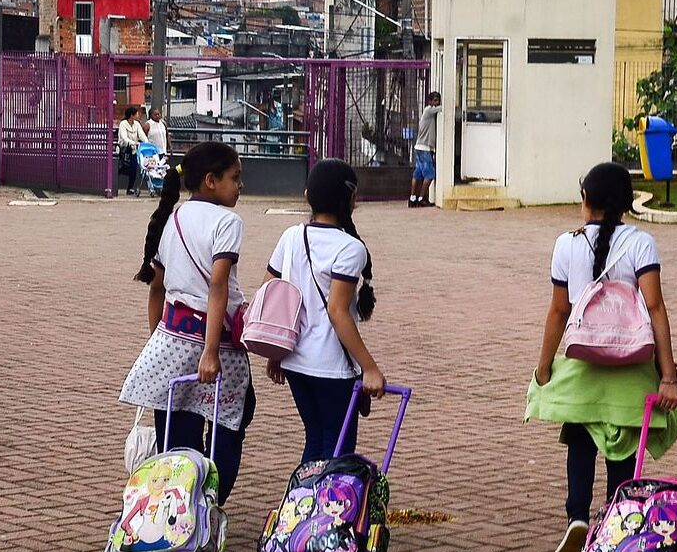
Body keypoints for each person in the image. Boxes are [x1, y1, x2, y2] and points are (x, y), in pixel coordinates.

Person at [525, 161, 677, 552]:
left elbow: (559, 311)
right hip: (631, 369)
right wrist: (667, 374)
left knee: (579, 439)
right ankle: (618, 527)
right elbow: (655, 308)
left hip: (583, 366)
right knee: (624, 450)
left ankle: (576, 516)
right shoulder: (642, 244)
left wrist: (544, 367)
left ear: (586, 201)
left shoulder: (566, 244)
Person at [118, 142, 255, 506]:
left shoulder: (173, 217)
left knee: (175, 431)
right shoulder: (228, 222)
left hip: (169, 340)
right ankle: (206, 506)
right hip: (217, 344)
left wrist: (155, 341)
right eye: (235, 178)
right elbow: (217, 286)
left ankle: (174, 510)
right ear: (211, 181)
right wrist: (210, 352)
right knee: (230, 423)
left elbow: (157, 288)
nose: (240, 185)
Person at [263, 158, 386, 464]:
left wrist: (275, 353)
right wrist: (369, 367)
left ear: (308, 195)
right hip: (331, 365)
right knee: (337, 446)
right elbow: (338, 310)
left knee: (316, 438)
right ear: (351, 200)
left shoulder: (291, 236)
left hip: (294, 360)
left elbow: (270, 292)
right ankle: (326, 510)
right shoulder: (350, 248)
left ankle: (302, 506)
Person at [409, 91, 441, 208]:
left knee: (417, 174)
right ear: (430, 101)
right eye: (435, 100)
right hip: (424, 148)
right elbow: (445, 108)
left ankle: (412, 198)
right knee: (430, 174)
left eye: (438, 100)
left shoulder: (428, 112)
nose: (436, 103)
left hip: (420, 147)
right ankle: (421, 198)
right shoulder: (429, 110)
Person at [118, 105, 148, 195]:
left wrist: (147, 143)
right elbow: (123, 137)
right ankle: (112, 184)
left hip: (134, 150)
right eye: (136, 113)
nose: (138, 115)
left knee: (134, 169)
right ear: (132, 115)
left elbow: (142, 135)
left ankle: (130, 188)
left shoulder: (137, 124)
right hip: (124, 149)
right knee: (121, 168)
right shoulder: (123, 124)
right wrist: (133, 142)